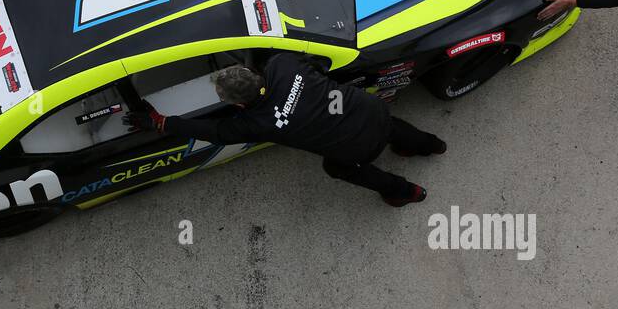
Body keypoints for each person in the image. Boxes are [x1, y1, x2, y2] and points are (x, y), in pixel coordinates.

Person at [123, 53, 445, 207]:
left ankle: (405, 193)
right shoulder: (282, 65)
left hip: (355, 147)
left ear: (237, 106)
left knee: (336, 167)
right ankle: (431, 145)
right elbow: (318, 65)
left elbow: (215, 131)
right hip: (369, 107)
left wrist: (163, 122)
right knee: (386, 125)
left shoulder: (255, 123)